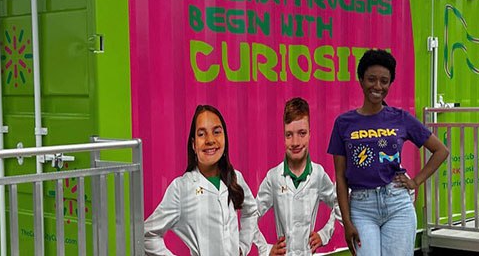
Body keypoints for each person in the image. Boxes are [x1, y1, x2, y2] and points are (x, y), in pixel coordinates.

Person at [327, 50, 449, 256]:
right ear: (361, 80)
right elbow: (340, 177)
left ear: (390, 84)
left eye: (384, 81)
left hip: (397, 205)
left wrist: (415, 181)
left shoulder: (400, 118)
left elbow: (440, 150)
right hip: (362, 207)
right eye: (371, 79)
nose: (378, 86)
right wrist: (347, 222)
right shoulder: (343, 123)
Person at [144, 104, 259, 255]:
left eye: (217, 132)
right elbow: (148, 235)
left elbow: (250, 211)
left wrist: (242, 247)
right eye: (201, 134)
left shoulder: (235, 177)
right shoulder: (181, 188)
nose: (210, 140)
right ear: (193, 144)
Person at [254, 97, 341, 256]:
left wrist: (324, 234)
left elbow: (339, 203)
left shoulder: (318, 175)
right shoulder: (274, 177)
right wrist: (265, 250)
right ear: (283, 136)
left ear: (309, 134)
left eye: (302, 133)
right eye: (289, 135)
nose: (295, 142)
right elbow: (250, 215)